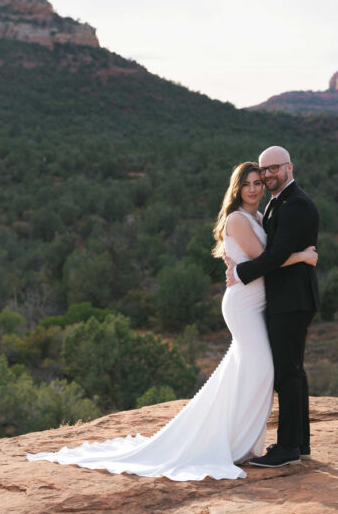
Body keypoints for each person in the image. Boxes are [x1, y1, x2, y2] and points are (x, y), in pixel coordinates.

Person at [26, 161, 317, 481]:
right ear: (237, 188)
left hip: (256, 304)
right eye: (246, 183)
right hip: (244, 306)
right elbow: (266, 259)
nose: (253, 188)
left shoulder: (258, 217)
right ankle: (235, 445)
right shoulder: (237, 219)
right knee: (261, 369)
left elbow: (267, 254)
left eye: (257, 183)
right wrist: (302, 257)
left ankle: (239, 442)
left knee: (248, 371)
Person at [226, 146, 320, 468]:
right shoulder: (274, 204)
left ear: (289, 167)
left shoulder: (295, 205)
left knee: (286, 373)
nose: (267, 175)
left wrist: (239, 272)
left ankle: (288, 448)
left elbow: (275, 255)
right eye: (264, 170)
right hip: (282, 299)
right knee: (292, 371)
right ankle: (300, 444)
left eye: (273, 168)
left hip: (291, 299)